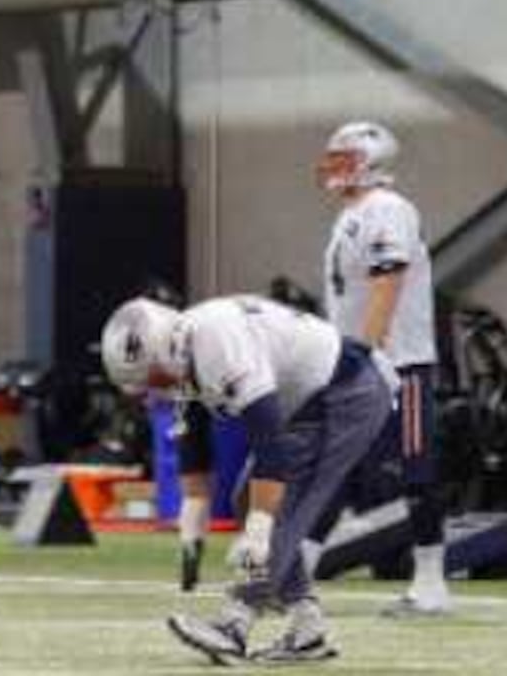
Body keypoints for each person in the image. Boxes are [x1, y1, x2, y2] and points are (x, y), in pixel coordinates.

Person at [105, 291, 393, 666]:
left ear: (170, 348)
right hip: (316, 396)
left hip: (347, 391)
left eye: (155, 376)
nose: (155, 388)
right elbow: (192, 439)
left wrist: (258, 529)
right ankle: (308, 629)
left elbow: (270, 446)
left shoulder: (218, 345)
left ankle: (234, 624)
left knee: (280, 510)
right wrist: (193, 521)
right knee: (247, 499)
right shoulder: (186, 344)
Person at [315, 120, 453, 619]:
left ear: (372, 164)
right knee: (335, 467)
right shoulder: (352, 215)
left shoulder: (387, 209)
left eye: (346, 157)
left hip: (398, 363)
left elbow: (387, 285)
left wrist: (365, 354)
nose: (334, 165)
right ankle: (294, 572)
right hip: (359, 360)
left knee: (416, 471)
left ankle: (432, 582)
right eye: (334, 156)